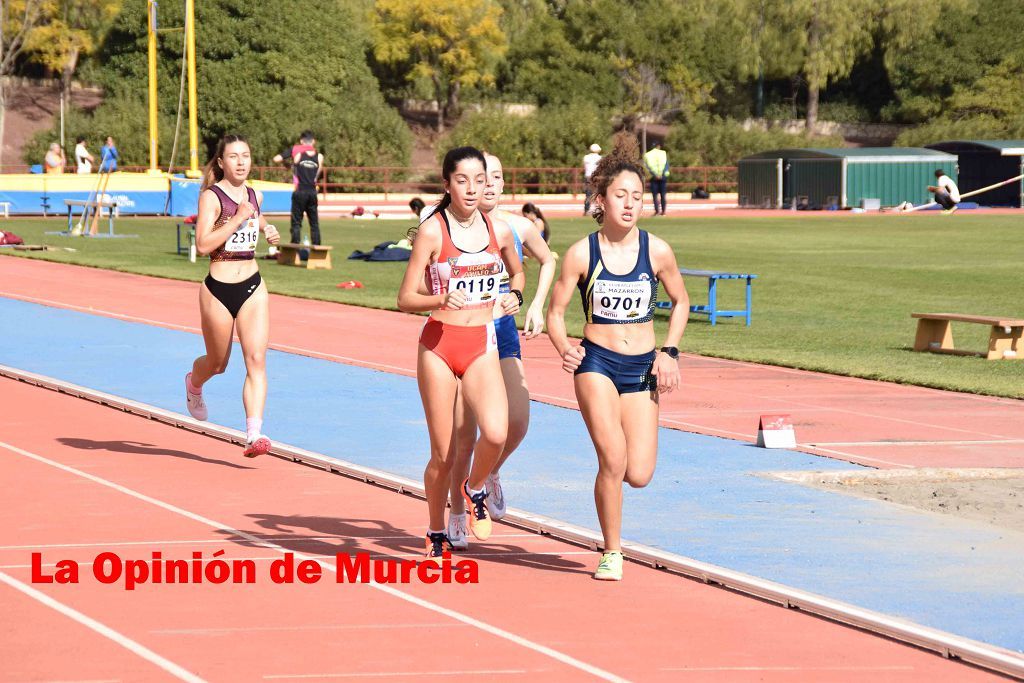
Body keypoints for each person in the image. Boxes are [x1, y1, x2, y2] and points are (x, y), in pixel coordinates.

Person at [546, 135, 689, 581]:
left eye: (637, 197)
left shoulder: (658, 251)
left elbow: (681, 301)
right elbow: (554, 313)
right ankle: (612, 551)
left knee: (639, 472)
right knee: (612, 459)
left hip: (643, 367)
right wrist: (565, 348)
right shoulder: (581, 253)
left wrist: (669, 350)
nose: (629, 204)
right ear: (601, 199)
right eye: (620, 195)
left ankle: (613, 506)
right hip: (598, 364)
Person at [397, 146, 524, 562]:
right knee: (443, 453)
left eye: (479, 180)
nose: (472, 189)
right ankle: (435, 529)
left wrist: (516, 295)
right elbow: (404, 298)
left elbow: (518, 270)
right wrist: (439, 297)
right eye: (463, 180)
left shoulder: (499, 230)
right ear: (448, 184)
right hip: (439, 346)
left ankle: (475, 486)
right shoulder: (433, 231)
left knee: (497, 431)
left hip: (481, 344)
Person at [445, 152, 556, 549]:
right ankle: (458, 510)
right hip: (462, 333)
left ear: (503, 183)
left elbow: (546, 261)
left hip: (502, 331)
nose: (488, 184)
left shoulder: (517, 226)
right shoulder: (450, 224)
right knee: (464, 434)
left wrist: (533, 303)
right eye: (481, 177)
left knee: (518, 421)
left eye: (496, 177)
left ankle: (488, 473)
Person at [185, 134, 281, 459]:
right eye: (234, 156)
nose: (241, 162)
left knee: (256, 360)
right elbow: (202, 244)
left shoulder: (255, 195)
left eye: (246, 155)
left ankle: (254, 433)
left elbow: (255, 216)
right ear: (221, 162)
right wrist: (238, 219)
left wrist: (266, 227)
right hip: (218, 289)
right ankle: (194, 384)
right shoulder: (212, 197)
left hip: (252, 284)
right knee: (217, 363)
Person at [288, 132, 323, 245]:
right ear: (313, 141)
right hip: (312, 191)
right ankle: (317, 246)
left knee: (296, 221)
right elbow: (317, 174)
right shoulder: (319, 156)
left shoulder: (299, 155)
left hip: (300, 191)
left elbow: (294, 169)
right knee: (314, 222)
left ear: (302, 142)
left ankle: (295, 244)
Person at [643, 142, 670, 216]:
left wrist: (655, 175)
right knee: (663, 195)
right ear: (659, 146)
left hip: (653, 177)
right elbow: (666, 164)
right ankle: (663, 211)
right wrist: (662, 174)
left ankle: (657, 211)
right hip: (663, 177)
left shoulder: (647, 155)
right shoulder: (663, 153)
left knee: (655, 195)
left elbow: (646, 166)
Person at [583, 143, 602, 216]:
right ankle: (599, 209)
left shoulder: (586, 157)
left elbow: (585, 167)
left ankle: (586, 210)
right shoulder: (600, 158)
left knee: (588, 194)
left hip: (588, 177)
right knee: (598, 194)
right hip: (597, 177)